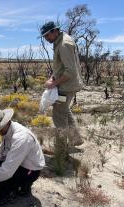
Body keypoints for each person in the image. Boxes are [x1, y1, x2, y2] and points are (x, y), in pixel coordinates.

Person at [0, 108, 45, 207]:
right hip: (20, 166)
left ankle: (6, 194)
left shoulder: (21, 137)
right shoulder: (7, 131)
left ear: (5, 122)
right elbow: (2, 155)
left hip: (30, 172)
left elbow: (7, 171)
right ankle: (18, 187)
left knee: (2, 175)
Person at [40, 21, 83, 149]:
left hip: (66, 87)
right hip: (66, 85)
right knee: (64, 111)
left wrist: (53, 84)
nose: (46, 39)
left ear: (55, 31)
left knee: (59, 115)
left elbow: (70, 72)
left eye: (47, 35)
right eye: (44, 36)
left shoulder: (64, 44)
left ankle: (61, 147)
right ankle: (76, 139)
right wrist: (52, 79)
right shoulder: (60, 41)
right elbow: (61, 68)